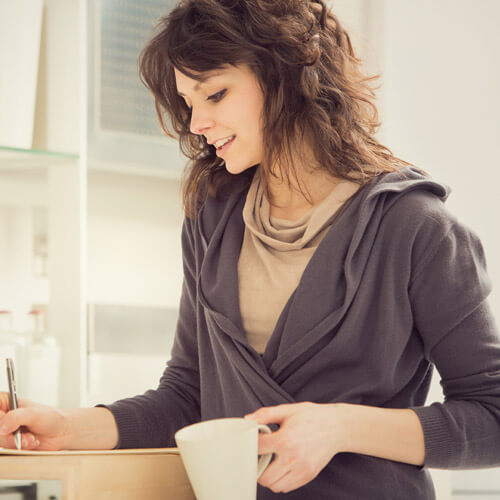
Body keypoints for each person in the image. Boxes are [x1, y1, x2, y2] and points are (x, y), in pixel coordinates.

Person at [1, 0, 500, 498]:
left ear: (285, 73)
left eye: (215, 94)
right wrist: (66, 427)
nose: (196, 122)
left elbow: (491, 416)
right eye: (188, 103)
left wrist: (340, 427)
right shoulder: (212, 220)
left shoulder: (417, 228)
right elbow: (188, 396)